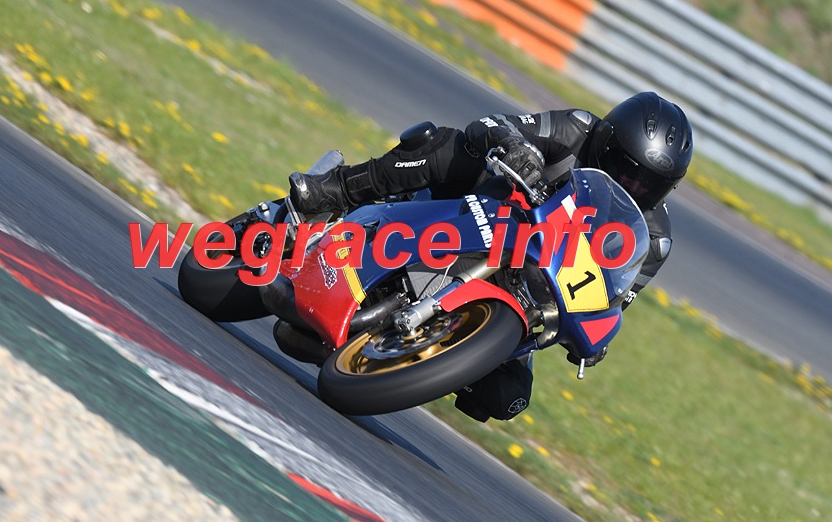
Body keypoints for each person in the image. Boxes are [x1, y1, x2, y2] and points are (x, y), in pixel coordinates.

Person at [288, 91, 693, 422]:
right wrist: (516, 149)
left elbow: (613, 296)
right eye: (626, 168)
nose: (631, 185)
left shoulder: (654, 239)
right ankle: (335, 188)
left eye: (649, 184)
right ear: (605, 141)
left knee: (505, 397)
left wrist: (595, 335)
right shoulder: (575, 129)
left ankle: (417, 352)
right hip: (482, 212)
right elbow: (490, 124)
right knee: (446, 146)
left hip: (532, 286)